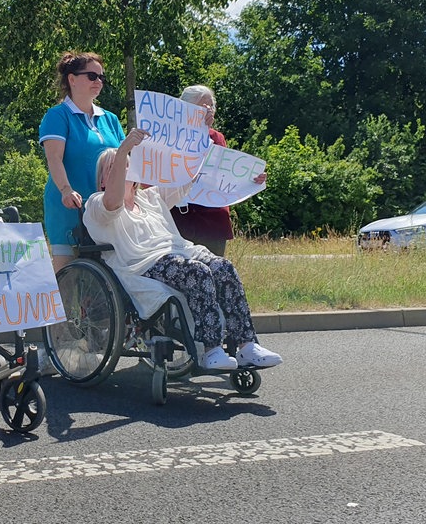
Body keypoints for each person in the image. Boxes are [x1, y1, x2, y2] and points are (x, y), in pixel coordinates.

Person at [83, 128, 283, 371]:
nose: (122, 171)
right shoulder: (96, 205)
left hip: (178, 254)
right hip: (142, 264)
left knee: (223, 267)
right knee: (197, 272)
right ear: (104, 179)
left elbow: (191, 176)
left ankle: (247, 345)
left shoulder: (150, 198)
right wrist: (124, 149)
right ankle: (211, 349)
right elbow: (113, 200)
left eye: (126, 166)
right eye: (113, 168)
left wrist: (246, 179)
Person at [39, 51, 125, 272]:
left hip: (105, 210)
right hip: (70, 209)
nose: (98, 82)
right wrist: (66, 190)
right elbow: (54, 158)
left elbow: (125, 162)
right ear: (72, 79)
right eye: (92, 76)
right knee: (67, 280)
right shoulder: (58, 116)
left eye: (101, 77)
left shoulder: (111, 119)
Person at [170, 85, 233, 256]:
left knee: (216, 271)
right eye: (202, 106)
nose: (208, 111)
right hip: (181, 218)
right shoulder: (172, 135)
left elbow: (226, 172)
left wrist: (252, 179)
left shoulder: (217, 138)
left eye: (211, 106)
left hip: (213, 221)